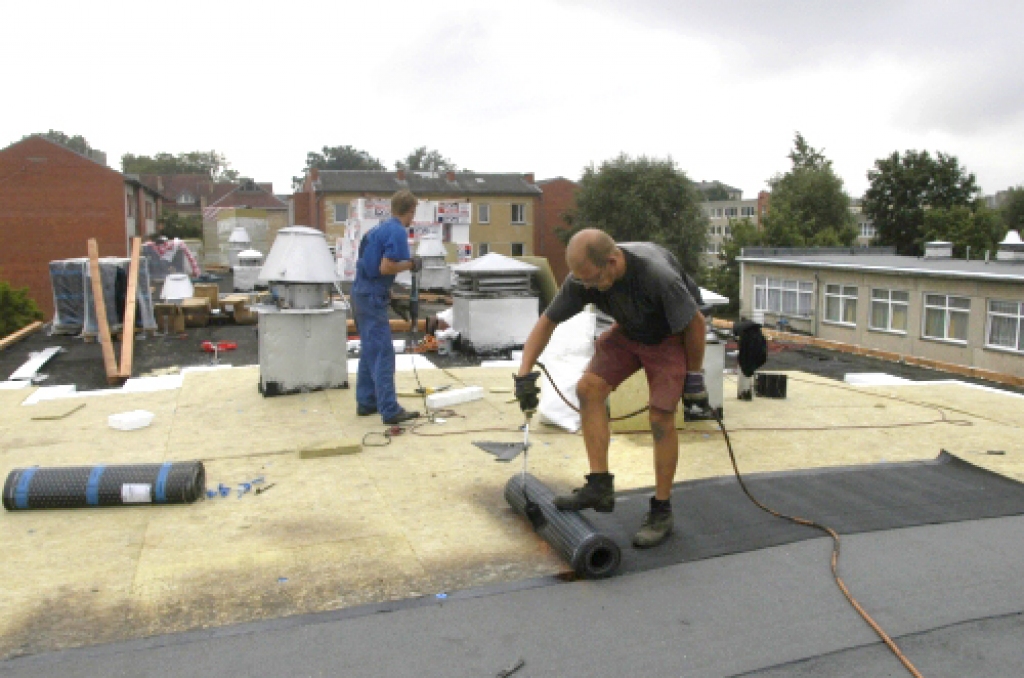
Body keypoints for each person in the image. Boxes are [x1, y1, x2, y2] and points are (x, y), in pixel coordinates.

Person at [514, 228, 707, 549]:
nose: (587, 288)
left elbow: (695, 324)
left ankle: (661, 510)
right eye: (583, 281)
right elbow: (547, 323)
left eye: (592, 279)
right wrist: (523, 374)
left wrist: (695, 377)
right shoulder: (584, 277)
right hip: (630, 331)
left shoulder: (657, 276)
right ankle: (599, 486)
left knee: (661, 417)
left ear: (613, 261)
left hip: (670, 336)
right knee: (588, 388)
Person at [352, 190, 422, 425]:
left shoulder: (377, 229)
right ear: (410, 210)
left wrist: (388, 293)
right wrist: (411, 264)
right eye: (413, 212)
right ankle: (390, 410)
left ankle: (367, 401)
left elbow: (369, 265)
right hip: (371, 297)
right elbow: (385, 267)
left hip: (362, 293)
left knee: (370, 349)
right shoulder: (397, 231)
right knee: (383, 353)